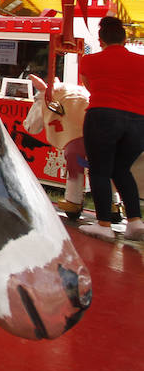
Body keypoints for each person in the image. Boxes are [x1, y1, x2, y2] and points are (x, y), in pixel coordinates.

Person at [78, 16, 144, 241]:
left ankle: (104, 224)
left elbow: (90, 88)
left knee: (99, 170)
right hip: (138, 121)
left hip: (102, 116)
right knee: (122, 169)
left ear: (100, 40)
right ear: (125, 40)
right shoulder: (141, 62)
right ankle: (135, 222)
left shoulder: (89, 60)